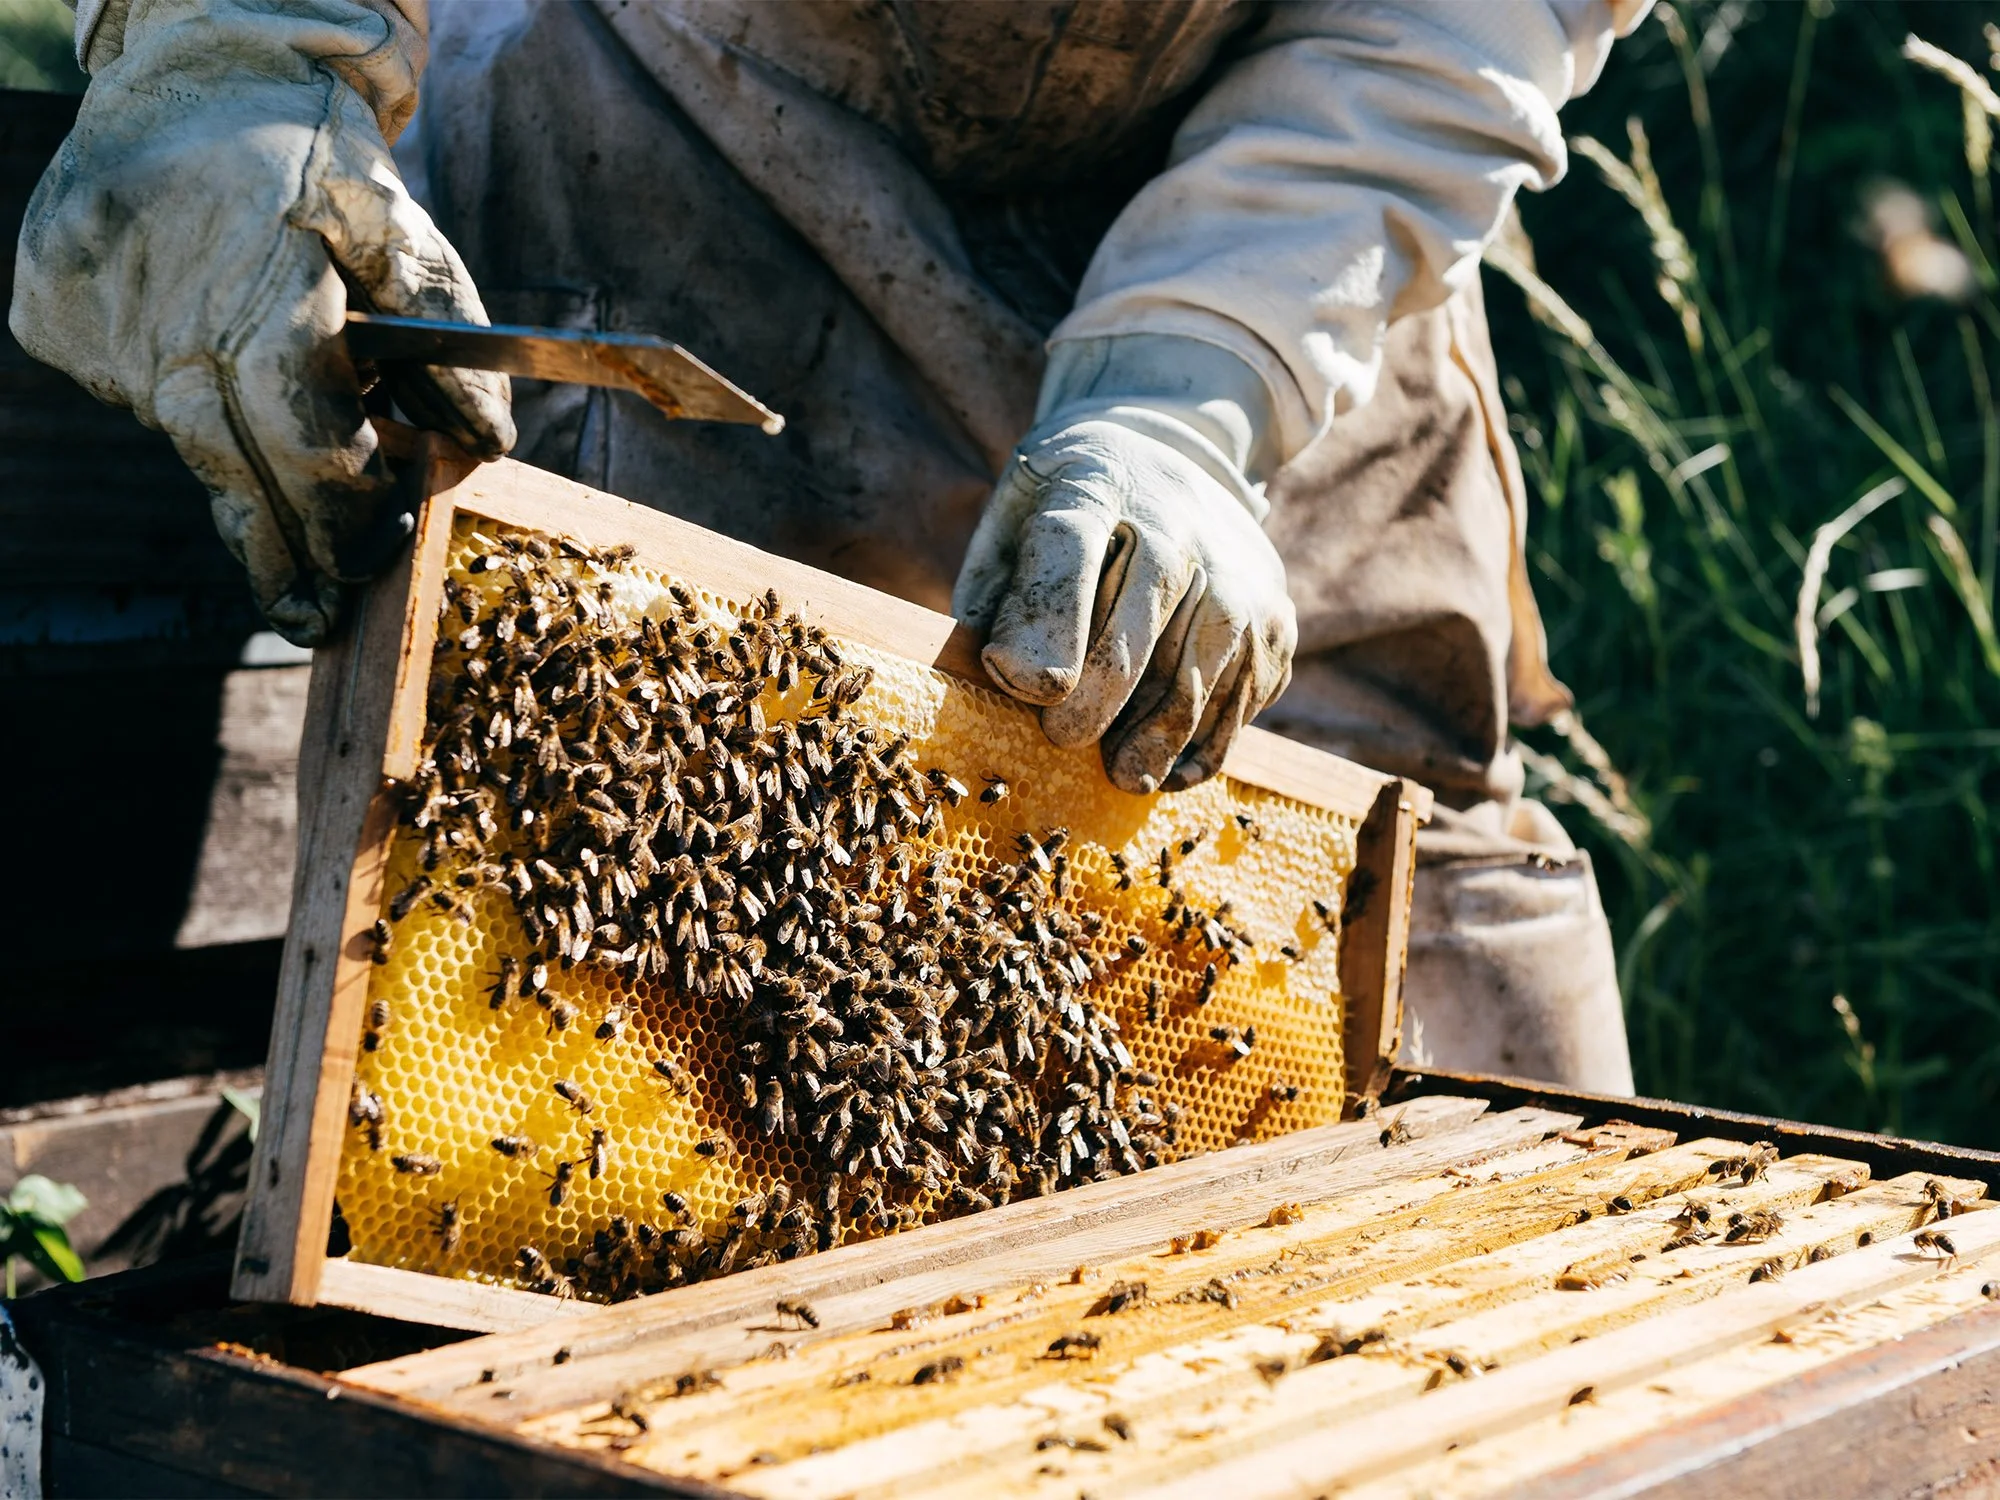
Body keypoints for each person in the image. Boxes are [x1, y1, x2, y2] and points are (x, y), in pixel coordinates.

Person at [11, 0, 1647, 1092]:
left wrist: (1196, 388)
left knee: (1391, 983)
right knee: (625, 1003)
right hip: (670, 121)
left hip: (1314, 188)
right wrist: (228, 57)